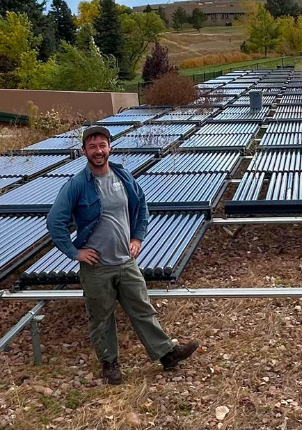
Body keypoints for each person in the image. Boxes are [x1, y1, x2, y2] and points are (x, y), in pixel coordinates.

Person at [47, 125, 199, 384]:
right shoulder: (76, 185)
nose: (98, 151)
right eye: (92, 146)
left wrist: (137, 237)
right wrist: (75, 252)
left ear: (110, 148)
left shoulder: (123, 177)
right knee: (101, 317)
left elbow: (142, 208)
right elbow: (54, 222)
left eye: (102, 145)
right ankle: (109, 364)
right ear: (84, 151)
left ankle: (166, 354)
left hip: (126, 262)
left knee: (142, 309)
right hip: (97, 267)